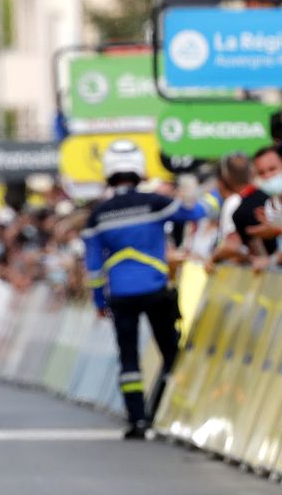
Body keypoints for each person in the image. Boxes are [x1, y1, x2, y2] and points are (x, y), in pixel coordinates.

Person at [82, 140, 208, 439]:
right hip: (155, 289)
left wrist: (100, 300)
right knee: (170, 351)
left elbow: (94, 269)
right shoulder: (154, 202)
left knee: (128, 359)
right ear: (139, 170)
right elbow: (195, 213)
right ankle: (174, 412)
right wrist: (200, 189)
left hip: (121, 295)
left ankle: (137, 420)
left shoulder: (97, 216)